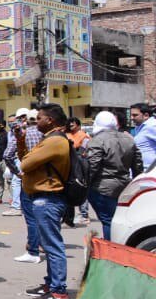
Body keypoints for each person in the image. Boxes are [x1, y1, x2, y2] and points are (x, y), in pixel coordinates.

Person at [17, 104, 72, 299]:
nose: (35, 121)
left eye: (39, 118)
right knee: (49, 246)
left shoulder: (55, 140)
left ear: (50, 120)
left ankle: (59, 292)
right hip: (42, 198)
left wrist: (28, 157)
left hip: (48, 198)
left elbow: (25, 164)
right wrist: (20, 141)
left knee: (52, 245)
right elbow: (24, 158)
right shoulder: (48, 139)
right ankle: (51, 284)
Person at [87, 111, 143, 241]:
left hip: (102, 187)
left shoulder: (97, 140)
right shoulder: (128, 139)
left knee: (108, 221)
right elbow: (138, 165)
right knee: (118, 220)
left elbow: (92, 167)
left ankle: (111, 252)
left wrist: (85, 185)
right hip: (124, 185)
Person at [5, 107, 44, 264]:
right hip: (45, 179)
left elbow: (7, 155)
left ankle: (33, 251)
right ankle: (41, 244)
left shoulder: (21, 134)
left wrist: (17, 172)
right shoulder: (47, 135)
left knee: (31, 217)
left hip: (27, 178)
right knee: (44, 215)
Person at [65, 117, 91, 226]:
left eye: (73, 124)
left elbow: (84, 150)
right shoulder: (66, 135)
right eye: (69, 125)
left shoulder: (84, 136)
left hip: (80, 165)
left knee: (81, 187)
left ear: (78, 125)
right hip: (69, 165)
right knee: (69, 190)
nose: (71, 126)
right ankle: (69, 219)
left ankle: (84, 215)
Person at [129, 103, 156, 171]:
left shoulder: (152, 126)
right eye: (131, 115)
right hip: (142, 171)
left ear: (146, 115)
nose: (131, 118)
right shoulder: (140, 127)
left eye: (135, 115)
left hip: (150, 172)